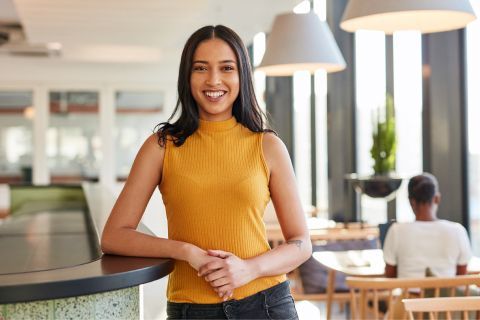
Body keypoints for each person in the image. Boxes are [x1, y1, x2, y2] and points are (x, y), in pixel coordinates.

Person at [101, 25, 311, 320]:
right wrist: (186, 251)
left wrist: (249, 269)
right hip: (191, 310)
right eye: (201, 68)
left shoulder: (268, 145)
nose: (214, 80)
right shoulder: (161, 146)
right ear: (187, 76)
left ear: (242, 76)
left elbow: (301, 243)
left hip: (266, 305)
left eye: (227, 68)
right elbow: (113, 236)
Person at [383, 172, 472, 278]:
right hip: (447, 294)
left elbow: (390, 275)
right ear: (437, 198)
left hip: (408, 294)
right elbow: (461, 276)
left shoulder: (396, 231)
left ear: (411, 202)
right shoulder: (458, 231)